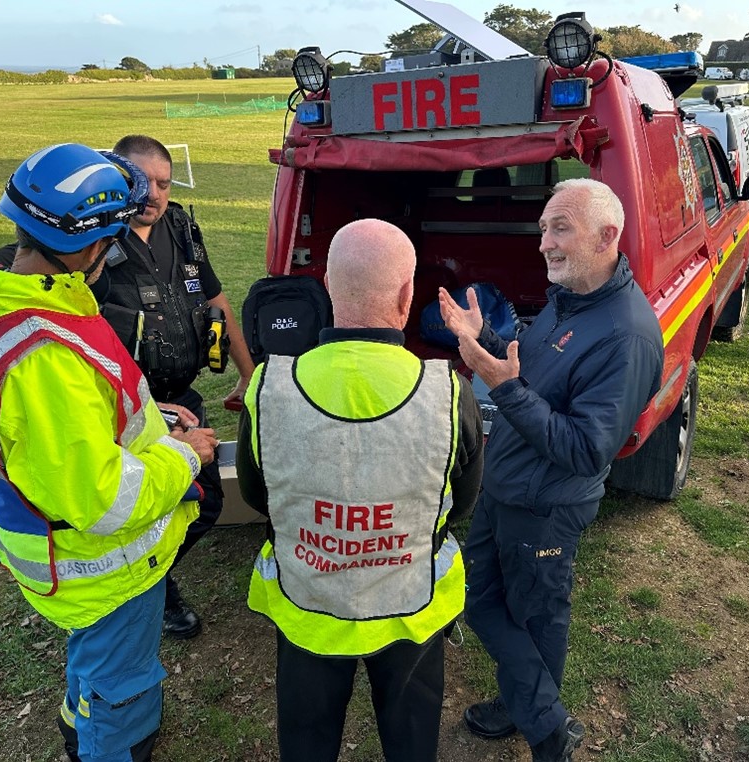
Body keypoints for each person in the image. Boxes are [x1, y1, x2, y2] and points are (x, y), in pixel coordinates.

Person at [0, 143, 218, 761]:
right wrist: (185, 454)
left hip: (54, 543)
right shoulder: (44, 353)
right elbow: (102, 497)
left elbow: (72, 427)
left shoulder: (13, 301)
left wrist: (153, 423)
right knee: (121, 688)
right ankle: (107, 743)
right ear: (91, 244)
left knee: (92, 666)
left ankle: (80, 720)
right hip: (98, 564)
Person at [0, 135, 255, 639]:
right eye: (143, 180)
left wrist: (246, 371)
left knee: (204, 501)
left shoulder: (180, 228)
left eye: (164, 183)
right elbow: (2, 270)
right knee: (132, 504)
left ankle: (151, 575)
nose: (152, 194)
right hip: (110, 406)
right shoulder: (85, 227)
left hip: (175, 399)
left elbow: (216, 297)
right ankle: (150, 589)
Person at [236, 218, 484, 762]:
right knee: (412, 743)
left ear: (327, 287)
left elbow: (259, 496)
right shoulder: (448, 392)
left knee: (306, 742)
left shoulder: (268, 387)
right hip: (410, 612)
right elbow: (461, 504)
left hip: (309, 605)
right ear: (406, 295)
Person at [438, 178, 664, 761]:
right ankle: (534, 709)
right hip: (505, 486)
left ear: (607, 236)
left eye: (559, 227)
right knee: (481, 597)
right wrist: (483, 337)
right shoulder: (572, 297)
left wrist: (502, 388)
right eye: (543, 228)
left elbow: (588, 449)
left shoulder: (626, 335)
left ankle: (545, 731)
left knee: (536, 616)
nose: (544, 243)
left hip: (545, 507)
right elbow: (535, 375)